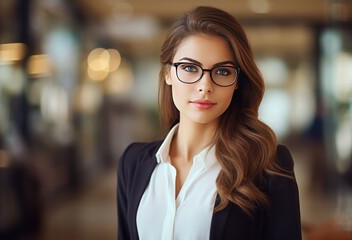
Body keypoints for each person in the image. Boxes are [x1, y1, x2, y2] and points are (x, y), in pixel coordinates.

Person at [117, 6, 301, 240]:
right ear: (167, 73)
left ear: (237, 81)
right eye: (190, 68)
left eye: (222, 72)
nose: (205, 86)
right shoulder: (132, 163)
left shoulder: (269, 165)